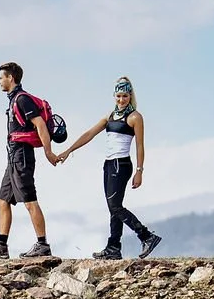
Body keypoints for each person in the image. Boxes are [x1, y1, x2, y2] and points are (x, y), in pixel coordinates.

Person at [52, 75, 161, 260]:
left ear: (130, 96)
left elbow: (140, 145)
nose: (121, 100)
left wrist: (140, 171)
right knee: (113, 207)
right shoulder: (109, 116)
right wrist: (69, 150)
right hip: (109, 165)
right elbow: (89, 134)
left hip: (121, 164)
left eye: (125, 96)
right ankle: (113, 248)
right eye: (118, 96)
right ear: (114, 96)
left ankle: (146, 236)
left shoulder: (135, 117)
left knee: (115, 206)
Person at [0, 62, 55, 259]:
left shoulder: (22, 99)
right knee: (3, 200)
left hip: (22, 156)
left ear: (10, 78)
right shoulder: (14, 99)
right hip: (13, 158)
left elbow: (40, 124)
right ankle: (1, 246)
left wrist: (48, 152)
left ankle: (43, 245)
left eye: (1, 78)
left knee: (30, 201)